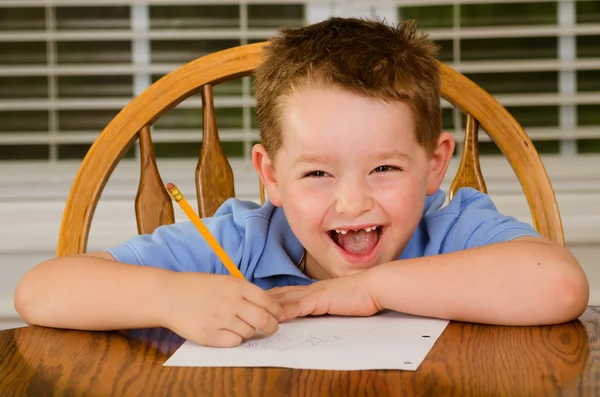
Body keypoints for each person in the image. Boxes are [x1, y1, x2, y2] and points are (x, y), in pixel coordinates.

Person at [14, 17, 589, 348]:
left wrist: (366, 290)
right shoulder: (241, 239)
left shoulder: (452, 225)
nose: (353, 200)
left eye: (385, 168)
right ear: (271, 176)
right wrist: (169, 296)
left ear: (436, 163)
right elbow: (40, 291)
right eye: (316, 172)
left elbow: (559, 285)